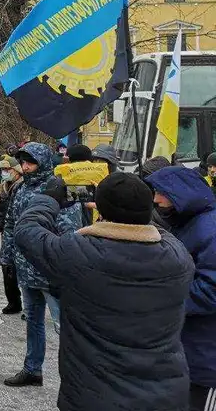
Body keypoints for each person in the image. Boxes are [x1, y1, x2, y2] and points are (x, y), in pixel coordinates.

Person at [16, 172, 195, 410]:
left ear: (101, 209)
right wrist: (131, 211)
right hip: (166, 395)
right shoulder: (178, 257)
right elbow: (154, 231)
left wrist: (49, 199)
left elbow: (27, 231)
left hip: (95, 396)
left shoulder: (77, 254)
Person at [2, 142, 80, 388]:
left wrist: (60, 264)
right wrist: (7, 257)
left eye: (30, 162)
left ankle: (77, 375)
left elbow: (69, 231)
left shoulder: (57, 188)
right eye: (23, 162)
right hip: (26, 269)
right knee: (33, 321)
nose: (25, 167)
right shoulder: (20, 188)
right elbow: (11, 224)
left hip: (51, 272)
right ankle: (32, 369)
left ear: (43, 163)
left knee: (64, 326)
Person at [146, 165, 216, 410]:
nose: (156, 200)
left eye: (161, 193)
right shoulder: (189, 223)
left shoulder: (210, 229)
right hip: (189, 348)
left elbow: (210, 291)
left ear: (181, 193)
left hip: (206, 357)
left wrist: (162, 297)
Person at [0, 156, 22, 315]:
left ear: (16, 170)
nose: (4, 172)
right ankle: (14, 302)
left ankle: (30, 306)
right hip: (7, 234)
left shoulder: (23, 187)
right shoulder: (5, 187)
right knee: (7, 266)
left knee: (23, 268)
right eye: (3, 170)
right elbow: (1, 211)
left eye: (7, 169)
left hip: (21, 232)